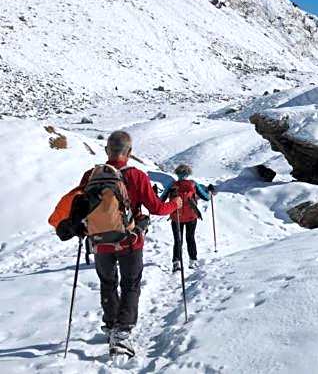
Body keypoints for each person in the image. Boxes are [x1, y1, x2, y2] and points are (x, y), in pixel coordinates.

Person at [58, 131, 182, 357]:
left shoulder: (91, 175)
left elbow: (80, 206)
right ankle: (122, 333)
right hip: (130, 241)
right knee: (130, 284)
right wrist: (176, 202)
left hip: (99, 242)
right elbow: (157, 208)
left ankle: (111, 324)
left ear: (107, 150)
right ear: (129, 152)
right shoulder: (137, 175)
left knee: (107, 282)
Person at [161, 164, 215, 271]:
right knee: (190, 238)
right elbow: (206, 197)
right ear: (188, 174)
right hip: (191, 216)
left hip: (176, 216)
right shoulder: (193, 184)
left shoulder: (172, 185)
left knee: (178, 240)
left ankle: (176, 263)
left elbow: (161, 199)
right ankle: (193, 261)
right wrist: (209, 191)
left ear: (177, 173)